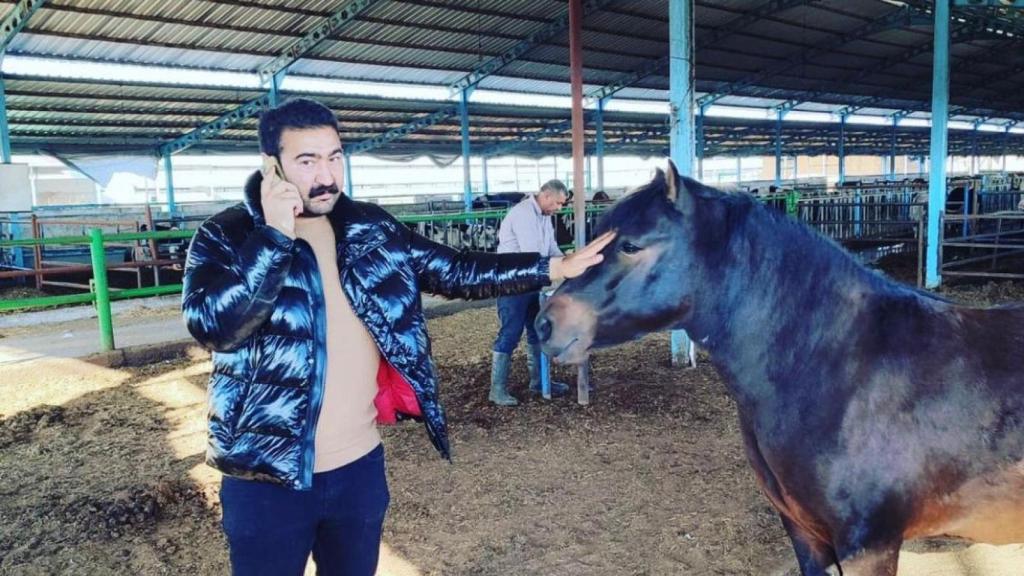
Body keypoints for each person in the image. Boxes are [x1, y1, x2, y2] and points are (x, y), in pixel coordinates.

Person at [181, 98, 614, 576]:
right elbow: (214, 328)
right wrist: (276, 238)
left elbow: (456, 271)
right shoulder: (225, 236)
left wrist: (552, 267)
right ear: (272, 166)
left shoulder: (370, 227)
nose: (327, 175)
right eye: (307, 161)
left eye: (335, 156)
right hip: (265, 477)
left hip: (357, 468)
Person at [489, 179, 572, 406]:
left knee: (536, 330)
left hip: (530, 282)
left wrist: (569, 261)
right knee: (511, 332)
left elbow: (551, 248)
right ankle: (497, 390)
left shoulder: (544, 217)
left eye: (562, 205)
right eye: (557, 203)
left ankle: (538, 381)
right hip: (512, 283)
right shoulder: (524, 214)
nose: (559, 209)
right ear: (545, 195)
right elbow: (532, 253)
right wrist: (561, 268)